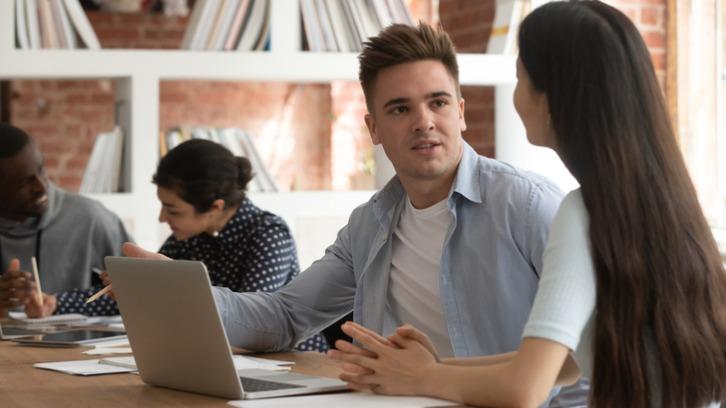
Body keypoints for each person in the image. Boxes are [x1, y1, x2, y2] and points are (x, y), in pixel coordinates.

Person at [123, 22, 589, 405]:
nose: (424, 121)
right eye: (400, 108)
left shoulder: (530, 206)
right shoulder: (370, 223)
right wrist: (184, 288)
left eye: (438, 102)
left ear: (461, 112)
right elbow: (287, 315)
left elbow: (589, 363)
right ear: (373, 129)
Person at [329, 2, 726, 407]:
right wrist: (434, 367)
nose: (515, 96)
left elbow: (525, 389)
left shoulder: (581, 211)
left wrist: (427, 376)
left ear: (553, 97)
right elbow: (574, 359)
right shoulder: (663, 199)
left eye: (520, 78)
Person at [104, 139, 327, 352]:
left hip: (293, 364)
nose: (162, 218)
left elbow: (252, 325)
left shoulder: (269, 234)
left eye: (173, 210)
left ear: (215, 207)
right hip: (219, 359)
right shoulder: (190, 237)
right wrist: (129, 291)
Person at [0, 123, 132, 318]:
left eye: (41, 170)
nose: (41, 187)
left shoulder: (91, 218)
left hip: (83, 349)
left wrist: (61, 303)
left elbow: (145, 294)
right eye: (23, 183)